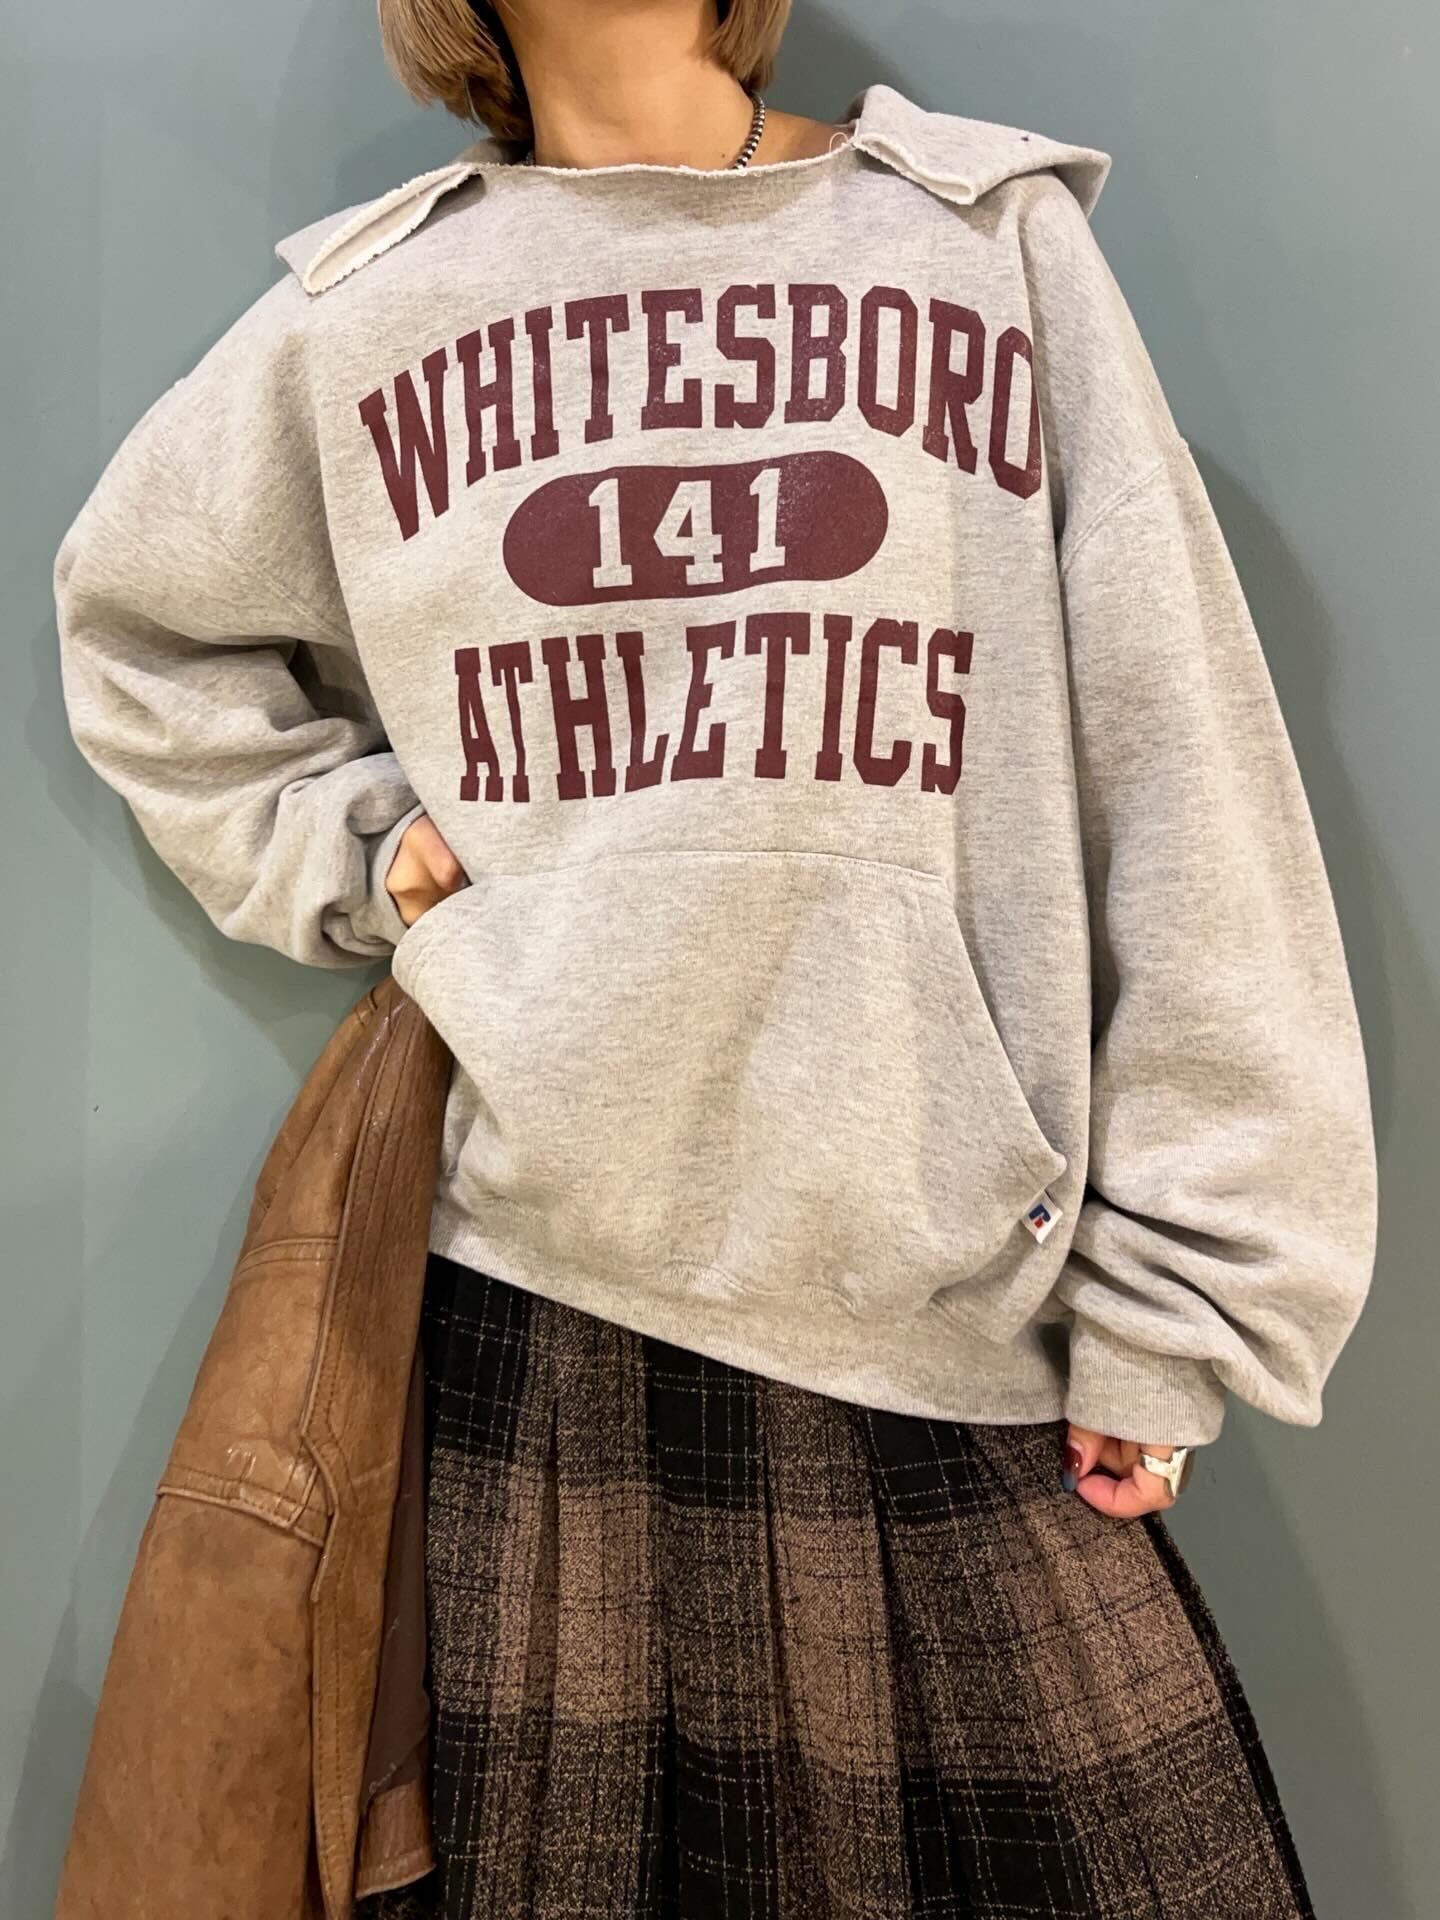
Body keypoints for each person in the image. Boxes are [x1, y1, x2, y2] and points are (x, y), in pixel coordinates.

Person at [53, 0, 1378, 1913]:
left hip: (950, 1301)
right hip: (546, 1319)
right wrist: (363, 853)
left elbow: (1183, 769)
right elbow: (138, 629)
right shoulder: (372, 313)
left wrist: (1187, 1292)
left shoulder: (978, 243)